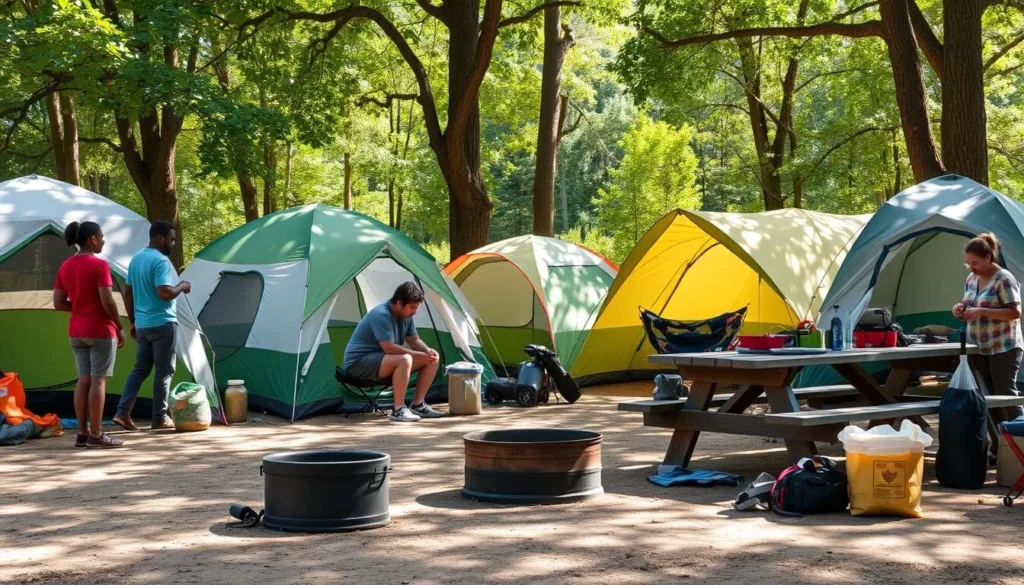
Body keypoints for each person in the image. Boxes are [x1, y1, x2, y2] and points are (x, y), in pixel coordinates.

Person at [53, 221, 126, 448]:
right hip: (100, 330)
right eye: (101, 236)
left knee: (83, 380)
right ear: (92, 239)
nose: (103, 241)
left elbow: (58, 303)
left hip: (76, 330)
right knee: (98, 381)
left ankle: (82, 433)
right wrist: (119, 326)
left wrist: (81, 308)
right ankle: (97, 434)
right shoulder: (99, 265)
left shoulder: (65, 266)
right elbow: (107, 300)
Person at [113, 221, 191, 431]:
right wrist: (182, 286)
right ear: (159, 238)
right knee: (164, 371)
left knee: (140, 369)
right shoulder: (161, 261)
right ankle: (160, 418)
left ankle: (122, 413)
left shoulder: (137, 259)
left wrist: (133, 322)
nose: (173, 244)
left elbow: (128, 293)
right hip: (163, 324)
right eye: (171, 239)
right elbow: (164, 292)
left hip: (143, 325)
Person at [953, 233, 1024, 432]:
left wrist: (983, 310)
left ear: (988, 257)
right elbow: (970, 304)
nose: (971, 266)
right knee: (986, 396)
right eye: (967, 263)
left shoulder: (1003, 279)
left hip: (1003, 346)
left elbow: (1015, 313)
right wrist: (960, 309)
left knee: (1005, 395)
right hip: (978, 347)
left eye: (974, 262)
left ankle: (1019, 443)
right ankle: (998, 446)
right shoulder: (971, 278)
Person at [343, 282, 443, 422]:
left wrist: (427, 351)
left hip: (383, 362)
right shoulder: (381, 315)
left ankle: (418, 405)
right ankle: (398, 410)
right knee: (405, 359)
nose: (414, 312)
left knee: (432, 358)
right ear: (399, 303)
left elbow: (413, 339)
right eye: (412, 307)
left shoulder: (406, 316)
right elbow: (389, 348)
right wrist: (417, 354)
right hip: (358, 365)